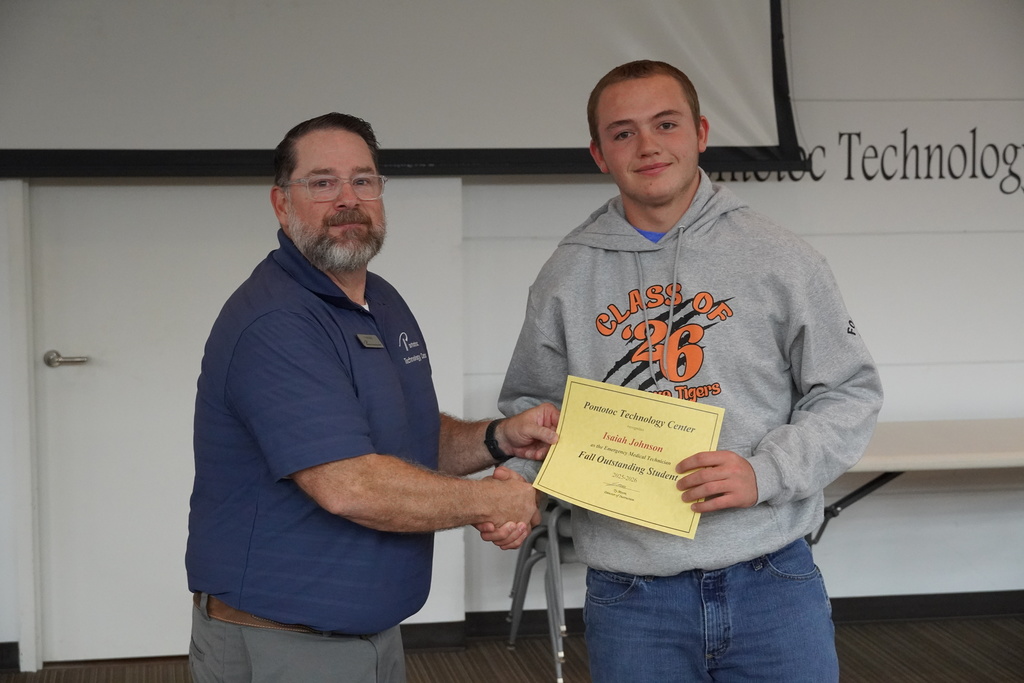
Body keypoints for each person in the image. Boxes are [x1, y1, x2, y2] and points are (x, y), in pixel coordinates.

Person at [499, 60, 883, 682]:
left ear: (700, 133)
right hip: (632, 594)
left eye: (666, 124)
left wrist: (764, 472)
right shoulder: (566, 275)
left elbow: (848, 392)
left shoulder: (781, 257)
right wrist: (513, 489)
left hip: (771, 580)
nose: (648, 146)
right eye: (623, 132)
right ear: (599, 154)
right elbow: (534, 411)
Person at [186, 112, 559, 683]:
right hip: (284, 640)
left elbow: (406, 438)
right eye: (322, 182)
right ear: (282, 203)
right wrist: (490, 501)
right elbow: (349, 484)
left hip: (370, 632)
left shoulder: (380, 300)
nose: (348, 199)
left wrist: (499, 438)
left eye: (363, 180)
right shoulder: (276, 320)